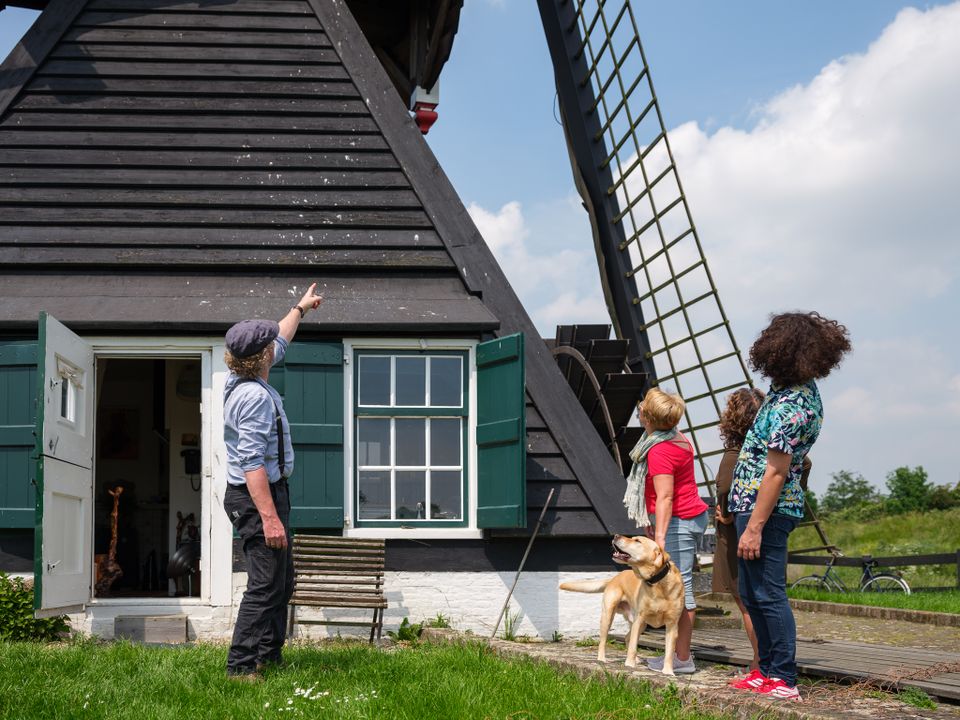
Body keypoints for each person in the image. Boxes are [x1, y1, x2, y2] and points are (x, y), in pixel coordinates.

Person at [729, 312, 850, 701]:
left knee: (768, 593)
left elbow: (777, 471)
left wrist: (754, 526)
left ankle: (783, 676)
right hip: (752, 505)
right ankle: (764, 670)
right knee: (751, 593)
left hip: (767, 510)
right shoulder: (787, 393)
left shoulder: (793, 405)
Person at [222, 284, 322, 681]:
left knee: (282, 580)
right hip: (255, 496)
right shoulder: (255, 399)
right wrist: (270, 518)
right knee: (264, 584)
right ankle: (241, 667)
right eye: (269, 346)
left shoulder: (240, 374)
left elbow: (280, 335)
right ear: (261, 357)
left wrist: (301, 308)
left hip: (266, 493)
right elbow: (251, 464)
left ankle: (268, 655)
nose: (274, 346)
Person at [623, 388, 709, 674]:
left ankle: (682, 659)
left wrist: (658, 537)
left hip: (679, 520)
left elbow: (666, 497)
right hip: (684, 517)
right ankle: (678, 654)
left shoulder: (660, 449)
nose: (639, 410)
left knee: (680, 587)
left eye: (642, 408)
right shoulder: (676, 438)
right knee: (676, 585)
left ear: (647, 417)